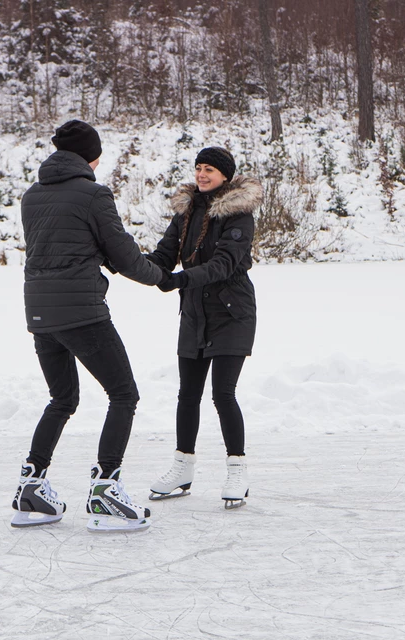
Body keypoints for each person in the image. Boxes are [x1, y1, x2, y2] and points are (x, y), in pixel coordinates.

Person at [11, 120, 165, 531]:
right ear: (89, 157)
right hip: (80, 311)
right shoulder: (94, 194)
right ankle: (105, 491)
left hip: (40, 313)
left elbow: (73, 245)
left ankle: (32, 484)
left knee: (62, 400)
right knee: (124, 394)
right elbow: (123, 253)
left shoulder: (32, 196)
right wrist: (162, 277)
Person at [146, 147, 262, 508]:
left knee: (222, 394)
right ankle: (183, 467)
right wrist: (126, 260)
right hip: (196, 312)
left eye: (208, 169)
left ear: (225, 175)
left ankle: (237, 470)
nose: (201, 174)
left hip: (232, 312)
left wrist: (181, 281)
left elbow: (225, 264)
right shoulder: (188, 211)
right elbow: (164, 255)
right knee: (188, 395)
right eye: (198, 168)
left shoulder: (239, 213)